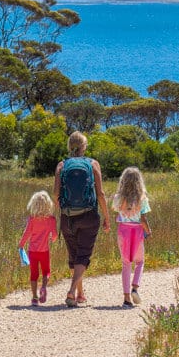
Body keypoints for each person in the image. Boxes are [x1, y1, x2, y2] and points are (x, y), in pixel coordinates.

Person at [53, 131, 111, 307]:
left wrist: (60, 214)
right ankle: (72, 291)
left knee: (74, 256)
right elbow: (100, 194)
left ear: (70, 146)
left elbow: (55, 194)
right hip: (88, 215)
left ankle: (81, 294)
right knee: (83, 255)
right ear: (84, 146)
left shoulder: (61, 165)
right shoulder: (93, 164)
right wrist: (107, 217)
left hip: (67, 217)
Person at [112, 167, 152, 307]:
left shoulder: (118, 198)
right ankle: (135, 287)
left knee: (126, 263)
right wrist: (149, 231)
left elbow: (116, 210)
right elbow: (143, 218)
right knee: (140, 261)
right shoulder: (142, 198)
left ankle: (126, 298)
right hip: (137, 232)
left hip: (123, 231)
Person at [18, 191, 58, 306]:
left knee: (34, 274)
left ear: (34, 204)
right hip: (44, 251)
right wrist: (52, 239)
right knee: (46, 272)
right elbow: (54, 235)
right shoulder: (51, 220)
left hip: (32, 251)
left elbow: (26, 233)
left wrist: (21, 245)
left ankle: (34, 298)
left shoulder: (32, 219)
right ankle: (44, 287)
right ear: (48, 204)